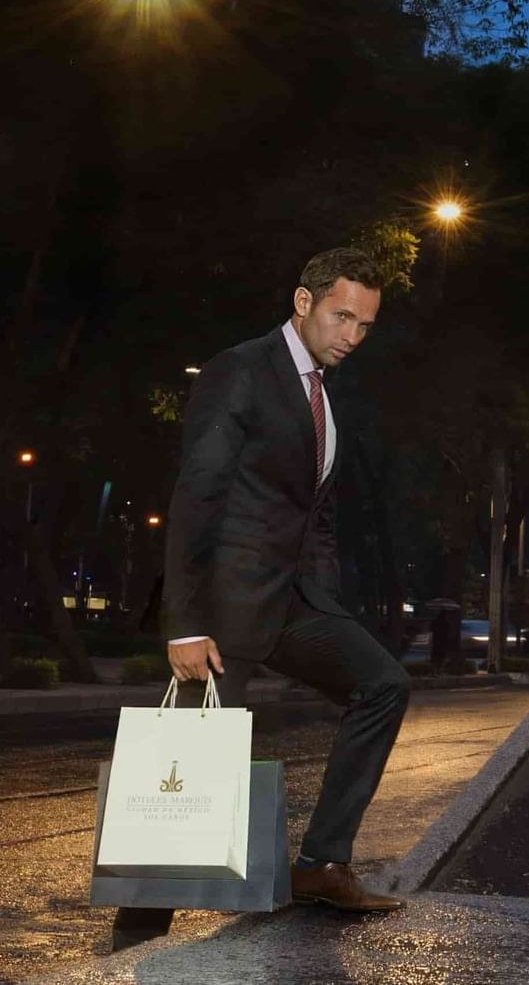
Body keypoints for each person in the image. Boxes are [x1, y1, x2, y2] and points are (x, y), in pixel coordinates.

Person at [113, 248, 408, 949]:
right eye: (342, 316)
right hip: (223, 610)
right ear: (303, 302)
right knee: (178, 781)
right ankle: (131, 943)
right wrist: (183, 622)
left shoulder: (324, 391)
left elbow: (315, 506)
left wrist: (324, 589)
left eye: (365, 324)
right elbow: (197, 495)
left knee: (383, 683)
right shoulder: (240, 370)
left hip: (297, 603)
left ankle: (321, 863)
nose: (352, 336)